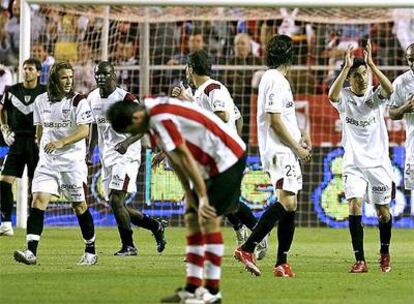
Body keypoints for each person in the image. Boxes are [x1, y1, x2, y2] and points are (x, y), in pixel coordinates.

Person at [107, 97, 246, 304]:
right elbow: (174, 158)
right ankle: (191, 288)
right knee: (191, 217)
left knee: (208, 220)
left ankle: (212, 292)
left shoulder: (159, 116)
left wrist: (202, 195)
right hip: (208, 161)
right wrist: (190, 194)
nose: (135, 134)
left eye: (132, 129)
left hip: (227, 158)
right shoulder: (151, 117)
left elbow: (184, 155)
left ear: (136, 117)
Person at [171, 49, 268, 260]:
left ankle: (257, 233)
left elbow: (222, 115)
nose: (186, 70)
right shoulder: (199, 92)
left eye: (187, 66)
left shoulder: (213, 88)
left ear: (192, 68)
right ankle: (250, 232)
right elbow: (237, 117)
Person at [234, 35, 311, 277]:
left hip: (284, 148)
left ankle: (282, 263)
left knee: (291, 205)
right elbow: (275, 121)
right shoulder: (275, 80)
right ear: (291, 55)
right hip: (279, 151)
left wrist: (298, 138)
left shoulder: (275, 79)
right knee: (286, 202)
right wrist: (297, 149)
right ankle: (248, 248)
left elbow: (283, 119)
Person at [13, 61, 97, 266]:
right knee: (38, 200)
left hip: (72, 163)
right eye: (64, 78)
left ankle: (90, 251)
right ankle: (31, 252)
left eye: (71, 77)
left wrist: (61, 142)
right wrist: (41, 143)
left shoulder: (78, 101)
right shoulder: (41, 101)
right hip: (48, 162)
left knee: (79, 205)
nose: (69, 81)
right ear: (54, 80)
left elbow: (85, 130)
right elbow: (40, 129)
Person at [87, 61, 166, 256]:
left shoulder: (126, 99)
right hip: (107, 156)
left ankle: (129, 246)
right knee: (117, 205)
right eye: (98, 74)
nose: (101, 77)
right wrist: (90, 151)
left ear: (114, 75)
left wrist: (127, 143)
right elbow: (94, 127)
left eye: (105, 74)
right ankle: (154, 225)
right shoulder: (91, 98)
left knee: (116, 200)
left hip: (127, 155)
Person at [328, 41, 394, 273]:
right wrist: (345, 68)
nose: (362, 79)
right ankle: (360, 260)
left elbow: (390, 90)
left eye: (364, 74)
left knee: (382, 211)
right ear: (350, 79)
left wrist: (373, 66)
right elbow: (331, 95)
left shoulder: (374, 98)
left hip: (377, 163)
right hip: (354, 162)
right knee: (354, 205)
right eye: (356, 75)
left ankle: (384, 252)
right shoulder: (344, 98)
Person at [0, 58, 45, 236]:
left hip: (36, 143)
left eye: (30, 69)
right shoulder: (11, 91)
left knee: (36, 186)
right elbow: (1, 110)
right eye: (24, 68)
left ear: (38, 72)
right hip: (17, 141)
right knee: (4, 182)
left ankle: (32, 225)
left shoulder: (45, 92)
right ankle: (6, 223)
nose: (27, 71)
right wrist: (4, 129)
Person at [389, 44, 414, 198]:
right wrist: (406, 107)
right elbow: (392, 113)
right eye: (411, 59)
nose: (413, 63)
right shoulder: (401, 82)